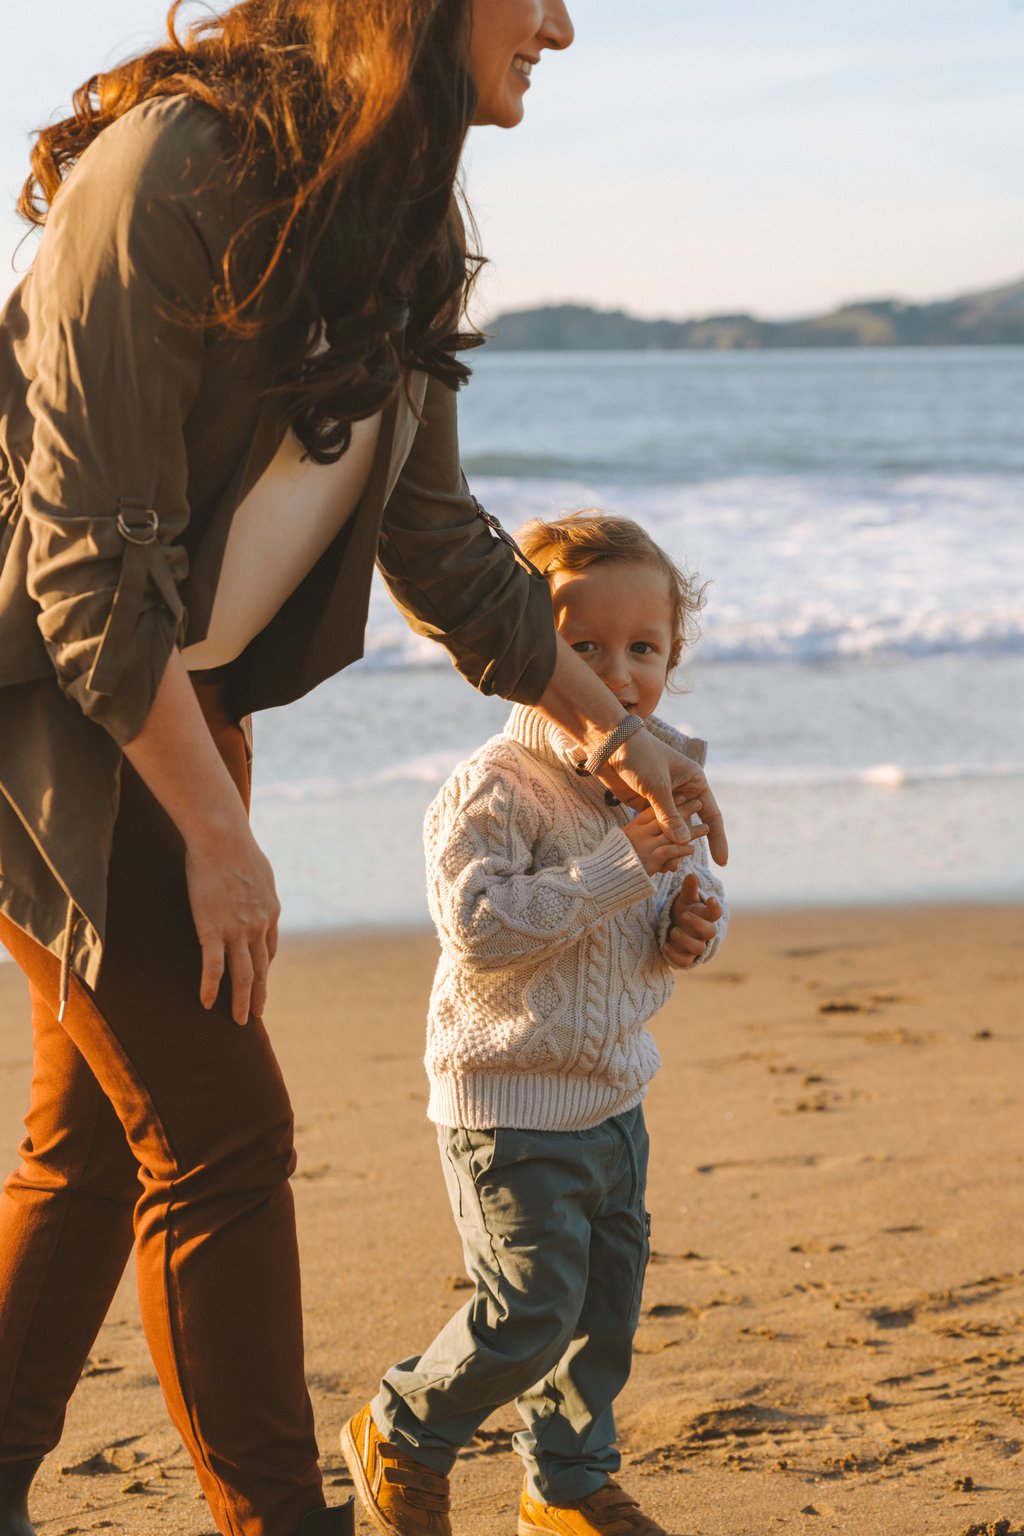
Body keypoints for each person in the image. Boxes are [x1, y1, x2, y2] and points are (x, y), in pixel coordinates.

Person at [0, 4, 729, 1534]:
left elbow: (443, 542)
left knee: (92, 1143)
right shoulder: (163, 176)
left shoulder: (406, 208)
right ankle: (286, 1518)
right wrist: (215, 830)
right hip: (45, 714)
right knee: (222, 1132)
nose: (563, 25)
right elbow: (84, 573)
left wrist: (622, 728)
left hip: (169, 716)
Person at [341, 511, 728, 1536]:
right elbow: (480, 932)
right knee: (524, 1314)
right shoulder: (493, 788)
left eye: (642, 648)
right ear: (528, 656)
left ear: (670, 656)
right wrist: (618, 868)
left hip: (612, 1093)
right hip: (507, 1098)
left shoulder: (661, 776)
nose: (620, 672)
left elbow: (645, 928)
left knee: (600, 1316)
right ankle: (403, 1426)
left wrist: (685, 930)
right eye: (582, 649)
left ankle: (562, 1487)